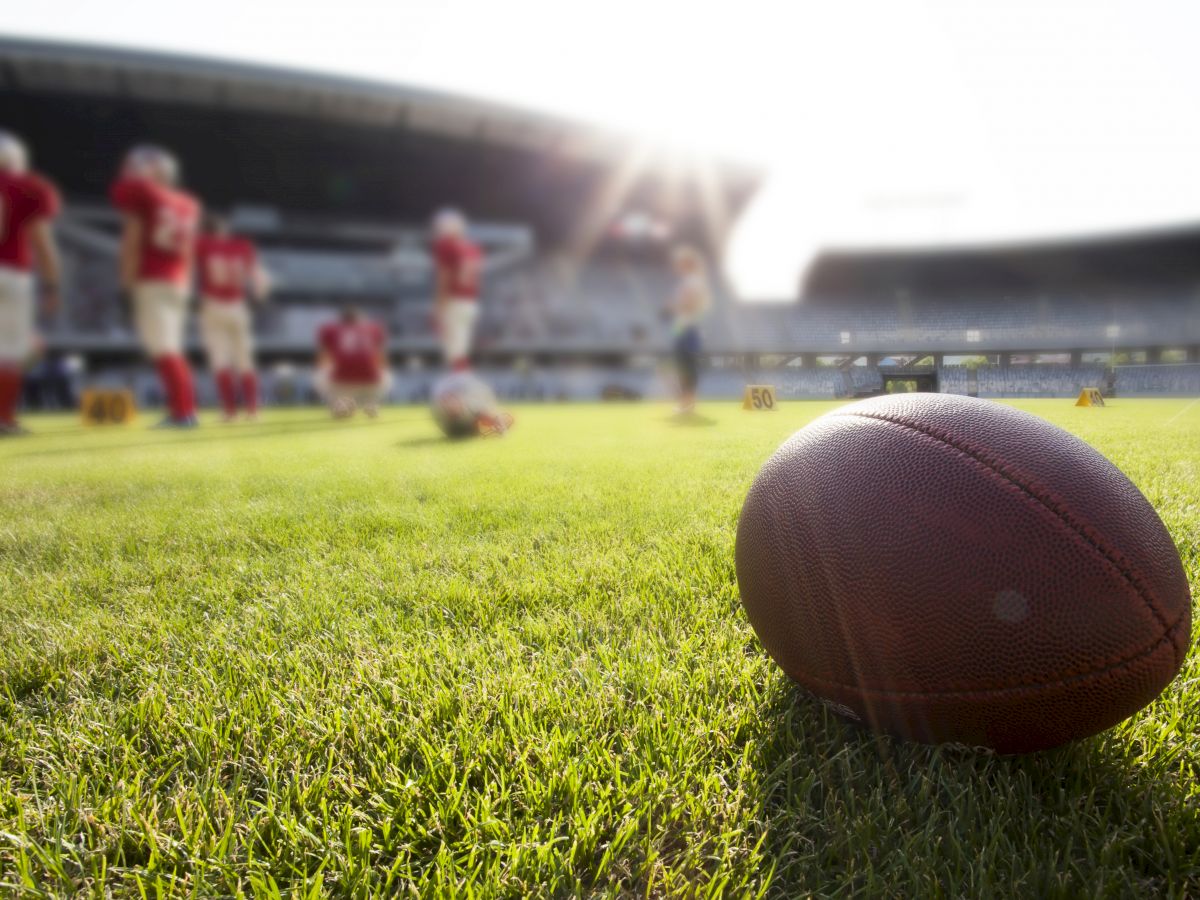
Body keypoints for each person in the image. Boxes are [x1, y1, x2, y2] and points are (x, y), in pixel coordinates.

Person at [110, 144, 202, 428]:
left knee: (164, 349)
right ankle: (183, 409)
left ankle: (182, 413)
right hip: (178, 281)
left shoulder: (147, 195)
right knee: (172, 348)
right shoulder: (187, 203)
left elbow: (133, 242)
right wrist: (187, 285)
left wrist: (125, 284)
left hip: (152, 278)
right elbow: (188, 251)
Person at [0, 130, 61, 436]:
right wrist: (51, 285)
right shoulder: (29, 187)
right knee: (10, 351)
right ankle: (4, 418)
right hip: (11, 272)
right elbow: (42, 242)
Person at [195, 214, 269, 421]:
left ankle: (229, 411)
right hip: (238, 306)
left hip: (213, 305)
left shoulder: (202, 244)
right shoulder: (242, 246)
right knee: (245, 359)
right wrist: (258, 298)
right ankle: (253, 410)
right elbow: (259, 278)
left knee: (220, 360)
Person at [430, 208, 482, 372]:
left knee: (455, 355)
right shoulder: (473, 248)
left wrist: (438, 307)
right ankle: (463, 386)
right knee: (460, 350)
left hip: (454, 301)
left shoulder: (446, 245)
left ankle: (463, 388)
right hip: (470, 303)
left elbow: (444, 277)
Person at [314, 306, 391, 418]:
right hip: (371, 382)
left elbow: (322, 358)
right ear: (360, 319)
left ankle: (339, 402)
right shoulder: (374, 329)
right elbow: (382, 358)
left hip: (341, 381)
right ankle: (372, 402)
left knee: (319, 373)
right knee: (386, 373)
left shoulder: (330, 330)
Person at [668, 244, 711, 416]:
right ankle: (686, 403)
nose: (677, 265)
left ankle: (688, 404)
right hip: (682, 328)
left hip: (688, 329)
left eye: (680, 262)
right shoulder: (690, 281)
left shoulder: (694, 281)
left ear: (687, 263)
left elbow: (693, 304)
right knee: (683, 367)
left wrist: (676, 305)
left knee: (687, 367)